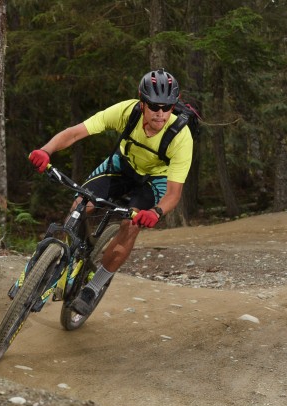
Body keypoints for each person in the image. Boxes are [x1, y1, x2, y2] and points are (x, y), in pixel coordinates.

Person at [28, 69, 194, 315]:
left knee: (130, 225)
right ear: (142, 102)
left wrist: (156, 212)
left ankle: (94, 287)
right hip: (121, 166)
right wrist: (46, 150)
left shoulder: (181, 137)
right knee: (80, 204)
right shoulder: (127, 112)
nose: (160, 113)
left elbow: (173, 194)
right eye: (154, 106)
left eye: (167, 107)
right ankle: (70, 253)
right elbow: (76, 132)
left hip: (153, 181)